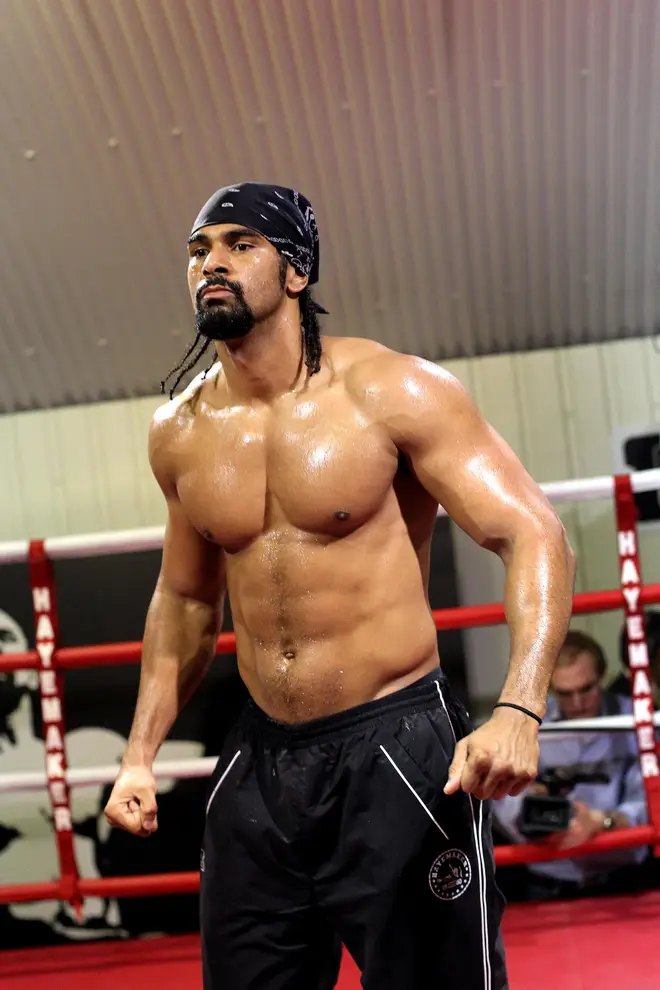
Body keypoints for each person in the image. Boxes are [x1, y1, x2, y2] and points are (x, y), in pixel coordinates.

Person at [104, 181, 575, 990]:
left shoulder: (391, 390)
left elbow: (533, 532)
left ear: (295, 272)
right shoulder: (178, 431)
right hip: (264, 759)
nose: (210, 264)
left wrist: (521, 709)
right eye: (198, 251)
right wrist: (139, 754)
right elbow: (184, 599)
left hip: (396, 747)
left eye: (238, 245)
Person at [495, 630, 647, 901]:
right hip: (549, 881)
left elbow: (649, 798)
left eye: (586, 689)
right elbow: (504, 801)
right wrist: (533, 811)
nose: (577, 703)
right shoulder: (529, 724)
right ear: (550, 687)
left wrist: (602, 822)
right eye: (565, 693)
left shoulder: (635, 719)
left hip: (624, 878)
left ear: (602, 676)